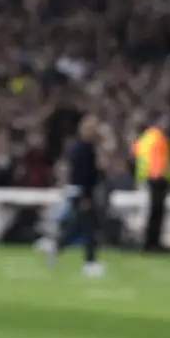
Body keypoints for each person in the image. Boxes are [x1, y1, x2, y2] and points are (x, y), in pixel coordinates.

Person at [43, 116, 104, 276]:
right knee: (89, 227)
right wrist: (86, 195)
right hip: (83, 192)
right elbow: (84, 174)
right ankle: (90, 262)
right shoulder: (83, 148)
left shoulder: (79, 147)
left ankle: (57, 245)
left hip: (79, 191)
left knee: (78, 226)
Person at [133, 118, 170, 252]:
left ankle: (149, 242)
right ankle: (154, 243)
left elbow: (136, 154)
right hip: (157, 178)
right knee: (157, 213)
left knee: (151, 213)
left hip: (146, 178)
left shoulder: (143, 139)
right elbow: (163, 160)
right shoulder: (158, 137)